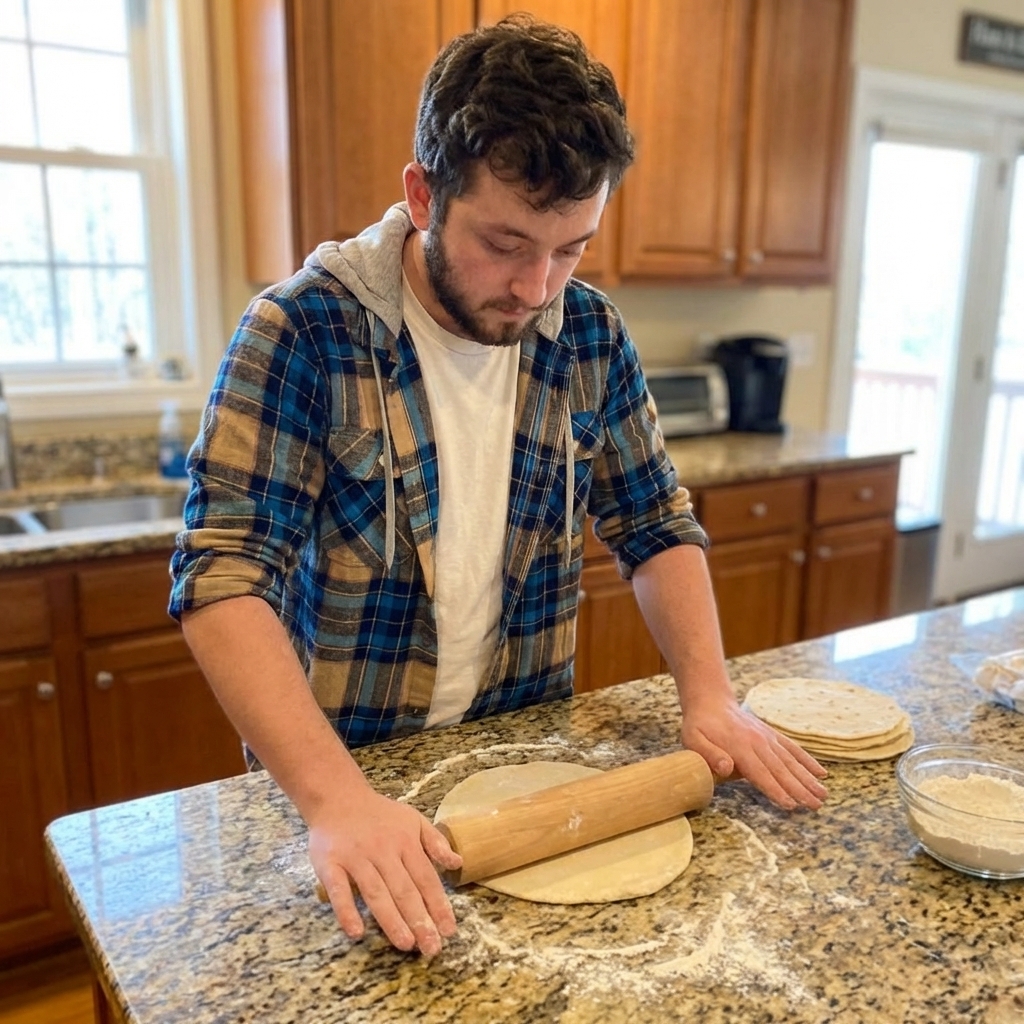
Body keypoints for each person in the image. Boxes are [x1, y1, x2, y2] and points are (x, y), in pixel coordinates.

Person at [171, 15, 827, 959]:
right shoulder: (302, 331)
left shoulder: (589, 333)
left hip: (527, 768)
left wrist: (712, 695)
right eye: (507, 242)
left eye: (570, 248)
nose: (535, 287)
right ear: (423, 195)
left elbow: (654, 523)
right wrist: (336, 800)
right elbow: (224, 574)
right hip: (344, 781)